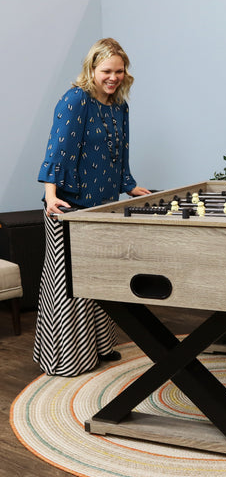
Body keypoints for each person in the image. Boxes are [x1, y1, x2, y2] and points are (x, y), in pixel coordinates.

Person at [34, 38, 150, 377]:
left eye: (119, 71)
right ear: (91, 69)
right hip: (68, 206)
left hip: (103, 205)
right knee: (67, 283)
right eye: (106, 71)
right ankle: (66, 359)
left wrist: (128, 184)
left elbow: (119, 152)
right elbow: (57, 148)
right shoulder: (76, 100)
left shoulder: (119, 105)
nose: (113, 77)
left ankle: (98, 346)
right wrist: (51, 194)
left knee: (98, 278)